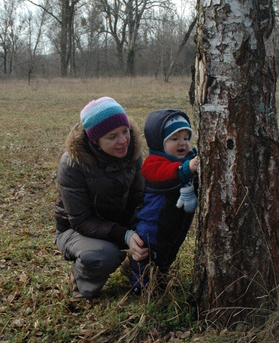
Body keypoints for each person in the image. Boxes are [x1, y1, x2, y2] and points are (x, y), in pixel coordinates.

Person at [54, 97, 149, 300]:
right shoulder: (72, 164)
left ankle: (131, 264)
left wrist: (143, 232)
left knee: (154, 230)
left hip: (117, 223)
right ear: (94, 140)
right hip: (75, 230)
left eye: (125, 131)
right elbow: (80, 220)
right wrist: (125, 235)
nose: (123, 140)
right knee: (104, 254)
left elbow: (139, 197)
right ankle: (80, 280)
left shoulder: (132, 153)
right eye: (112, 136)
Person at [128, 108, 198, 293]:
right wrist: (186, 169)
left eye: (186, 137)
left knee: (166, 256)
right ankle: (141, 287)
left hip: (172, 226)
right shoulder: (153, 163)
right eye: (174, 139)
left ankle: (158, 280)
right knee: (147, 256)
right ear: (160, 143)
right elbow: (166, 175)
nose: (182, 143)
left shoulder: (186, 160)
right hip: (152, 226)